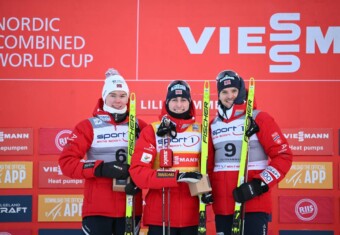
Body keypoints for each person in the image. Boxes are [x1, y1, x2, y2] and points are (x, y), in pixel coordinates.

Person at [59, 68, 147, 235]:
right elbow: (67, 163)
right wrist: (100, 168)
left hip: (129, 205)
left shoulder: (139, 126)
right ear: (104, 96)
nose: (118, 101)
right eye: (113, 95)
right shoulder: (88, 126)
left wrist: (139, 180)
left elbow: (151, 163)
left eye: (122, 96)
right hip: (97, 209)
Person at [205, 70, 293, 235]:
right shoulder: (213, 125)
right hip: (223, 209)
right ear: (218, 95)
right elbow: (210, 166)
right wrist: (206, 190)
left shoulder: (259, 118)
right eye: (224, 92)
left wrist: (259, 185)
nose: (229, 95)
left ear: (241, 91)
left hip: (253, 204)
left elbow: (284, 156)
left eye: (233, 90)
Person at [129, 80, 203, 235]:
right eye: (174, 100)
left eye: (183, 100)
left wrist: (208, 191)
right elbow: (138, 173)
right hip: (160, 215)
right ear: (167, 103)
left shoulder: (201, 130)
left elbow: (207, 169)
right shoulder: (152, 130)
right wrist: (175, 176)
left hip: (193, 215)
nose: (179, 105)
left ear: (190, 103)